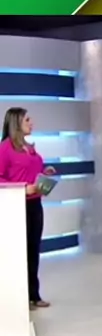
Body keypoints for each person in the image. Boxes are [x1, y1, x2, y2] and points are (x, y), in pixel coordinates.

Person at [0, 107, 56, 310]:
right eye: (27, 120)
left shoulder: (29, 147)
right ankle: (20, 297)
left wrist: (44, 172)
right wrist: (23, 188)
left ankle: (34, 294)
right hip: (17, 205)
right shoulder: (5, 148)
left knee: (33, 249)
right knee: (20, 252)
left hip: (35, 204)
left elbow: (31, 170)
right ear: (16, 123)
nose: (31, 123)